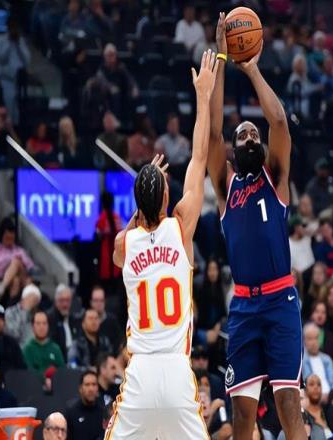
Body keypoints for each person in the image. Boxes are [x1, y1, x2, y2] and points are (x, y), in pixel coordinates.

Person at [105, 49, 217, 439]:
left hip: (140, 372)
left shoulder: (124, 243)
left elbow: (122, 247)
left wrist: (144, 197)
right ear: (167, 197)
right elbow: (199, 155)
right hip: (176, 370)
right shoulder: (181, 226)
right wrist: (203, 96)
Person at [207, 14, 306, 440]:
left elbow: (279, 121)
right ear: (233, 150)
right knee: (242, 415)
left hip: (281, 301)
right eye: (243, 135)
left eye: (253, 135)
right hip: (244, 307)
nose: (249, 137)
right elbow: (212, 134)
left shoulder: (275, 176)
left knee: (288, 406)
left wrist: (250, 68)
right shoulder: (225, 185)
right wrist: (219, 59)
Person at [0, 16, 30, 125]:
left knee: (18, 107)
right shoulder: (0, 40)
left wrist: (18, 44)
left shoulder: (20, 41)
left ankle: (16, 127)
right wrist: (9, 43)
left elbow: (26, 60)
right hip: (6, 79)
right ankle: (8, 127)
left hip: (19, 79)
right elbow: (1, 58)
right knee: (9, 105)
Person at [0, 218, 35, 298]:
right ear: (2, 236)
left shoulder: (19, 250)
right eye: (7, 238)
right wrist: (8, 265)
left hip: (24, 279)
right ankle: (12, 302)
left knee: (16, 262)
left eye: (11, 238)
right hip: (2, 278)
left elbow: (30, 267)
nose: (9, 240)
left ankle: (2, 286)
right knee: (15, 280)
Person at [22, 310, 65, 376]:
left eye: (44, 323)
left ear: (48, 326)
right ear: (33, 327)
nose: (41, 327)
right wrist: (44, 379)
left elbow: (62, 372)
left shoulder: (55, 349)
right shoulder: (27, 349)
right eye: (38, 323)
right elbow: (28, 373)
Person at [302, 323, 333, 402]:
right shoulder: (301, 360)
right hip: (310, 398)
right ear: (304, 341)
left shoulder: (327, 359)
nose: (314, 342)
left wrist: (331, 395)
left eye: (316, 338)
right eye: (310, 339)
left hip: (330, 398)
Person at [65, 371, 103, 440]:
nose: (91, 389)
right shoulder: (71, 413)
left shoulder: (103, 412)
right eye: (87, 385)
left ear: (98, 388)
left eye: (94, 384)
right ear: (80, 388)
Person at [47, 284, 80, 361]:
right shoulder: (49, 319)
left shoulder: (74, 319)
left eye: (67, 300)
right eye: (61, 300)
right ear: (56, 301)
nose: (65, 304)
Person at [154, 113, 191, 182]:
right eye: (172, 124)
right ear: (167, 125)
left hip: (184, 171)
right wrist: (164, 173)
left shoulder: (184, 141)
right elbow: (158, 161)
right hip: (169, 170)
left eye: (176, 124)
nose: (174, 127)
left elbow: (189, 158)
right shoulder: (161, 141)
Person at [95, 194, 123, 283]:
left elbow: (98, 235)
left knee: (107, 281)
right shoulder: (116, 217)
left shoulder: (102, 217)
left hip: (106, 253)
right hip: (116, 252)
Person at [4, 283, 41, 347]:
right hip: (15, 348)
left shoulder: (37, 315)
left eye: (36, 301)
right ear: (24, 299)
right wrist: (25, 312)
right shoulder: (10, 312)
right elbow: (14, 335)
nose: (34, 304)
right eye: (32, 300)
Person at [89, 286, 122, 351]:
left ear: (105, 302)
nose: (99, 304)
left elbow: (120, 342)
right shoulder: (86, 321)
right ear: (91, 302)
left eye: (101, 300)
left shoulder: (112, 321)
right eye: (96, 300)